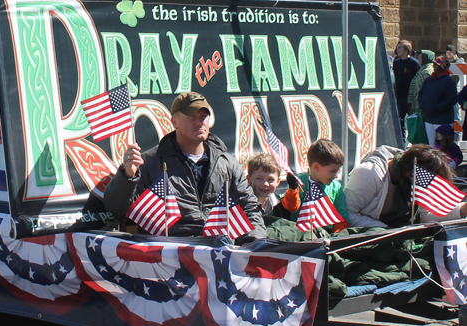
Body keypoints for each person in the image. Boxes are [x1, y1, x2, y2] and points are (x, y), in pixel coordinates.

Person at [103, 92, 266, 243]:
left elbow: (249, 208)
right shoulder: (149, 162)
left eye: (203, 116)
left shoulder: (227, 162)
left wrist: (253, 245)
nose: (199, 122)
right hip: (171, 252)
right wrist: (128, 176)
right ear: (174, 121)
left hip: (220, 251)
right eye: (191, 116)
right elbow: (116, 208)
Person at [344, 144, 467, 228]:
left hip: (399, 233)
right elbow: (347, 213)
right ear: (409, 174)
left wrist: (461, 209)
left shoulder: (415, 174)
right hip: (371, 237)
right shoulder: (370, 174)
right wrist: (383, 230)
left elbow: (425, 215)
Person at [281, 139, 350, 234]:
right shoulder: (302, 182)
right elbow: (290, 207)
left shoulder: (336, 187)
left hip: (327, 235)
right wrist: (293, 190)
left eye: (337, 171)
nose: (336, 175)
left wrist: (337, 236)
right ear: (316, 167)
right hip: (300, 234)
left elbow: (342, 219)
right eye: (333, 171)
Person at [418, 55, 458, 145]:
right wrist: (423, 106)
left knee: (443, 145)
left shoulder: (449, 81)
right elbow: (421, 94)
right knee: (432, 144)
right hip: (429, 118)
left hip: (443, 119)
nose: (434, 67)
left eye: (436, 65)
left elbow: (452, 99)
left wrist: (438, 107)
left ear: (442, 67)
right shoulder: (429, 80)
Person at [393, 40, 421, 137]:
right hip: (399, 98)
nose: (398, 50)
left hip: (411, 98)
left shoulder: (414, 63)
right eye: (397, 48)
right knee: (399, 123)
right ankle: (402, 146)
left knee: (413, 122)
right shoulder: (396, 63)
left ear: (406, 49)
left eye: (400, 48)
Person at [407, 50, 435, 116]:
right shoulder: (423, 69)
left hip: (421, 106)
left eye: (421, 57)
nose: (418, 59)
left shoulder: (427, 72)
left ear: (426, 58)